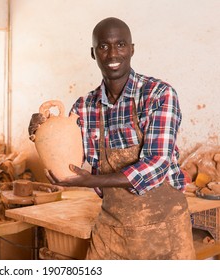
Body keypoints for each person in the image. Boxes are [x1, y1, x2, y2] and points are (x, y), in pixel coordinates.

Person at [28, 17, 195, 260]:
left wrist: (91, 181)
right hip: (111, 232)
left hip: (164, 231)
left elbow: (157, 164)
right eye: (103, 46)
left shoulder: (158, 94)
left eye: (120, 44)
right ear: (93, 53)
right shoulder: (85, 107)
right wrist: (40, 132)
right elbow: (69, 157)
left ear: (132, 49)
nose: (112, 53)